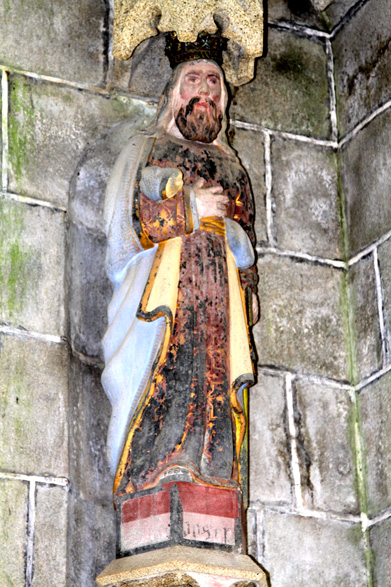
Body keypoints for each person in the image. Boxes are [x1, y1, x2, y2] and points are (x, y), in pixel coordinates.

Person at [102, 37, 259, 499]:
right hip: (162, 299)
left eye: (214, 81)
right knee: (167, 378)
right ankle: (155, 473)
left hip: (219, 306)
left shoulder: (232, 168)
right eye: (194, 79)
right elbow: (122, 229)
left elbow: (247, 259)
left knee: (214, 385)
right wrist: (189, 209)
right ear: (174, 93)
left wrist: (238, 244)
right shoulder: (144, 149)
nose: (205, 90)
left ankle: (212, 473)